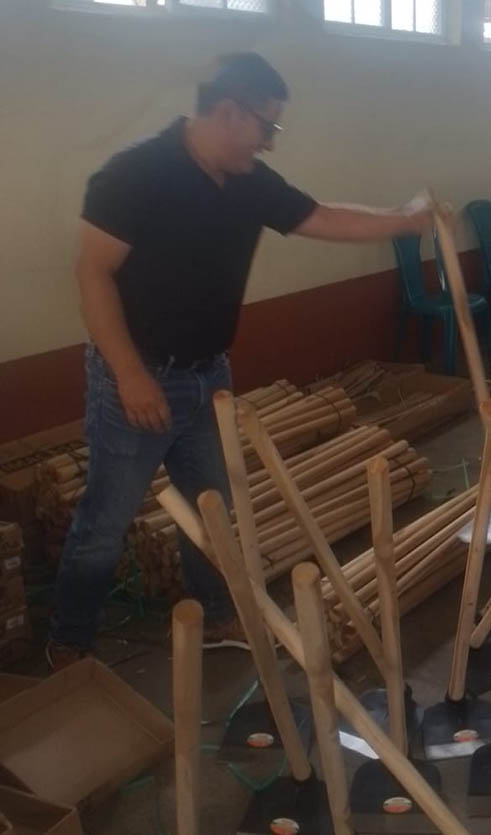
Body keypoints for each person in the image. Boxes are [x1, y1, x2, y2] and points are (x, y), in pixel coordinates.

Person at [47, 53, 434, 670]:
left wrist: (406, 222)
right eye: (266, 126)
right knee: (106, 519)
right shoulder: (133, 175)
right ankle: (70, 641)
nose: (269, 143)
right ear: (229, 111)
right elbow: (92, 275)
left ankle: (217, 613)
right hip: (137, 377)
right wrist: (130, 375)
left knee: (214, 509)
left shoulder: (249, 181)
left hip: (209, 377)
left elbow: (321, 217)